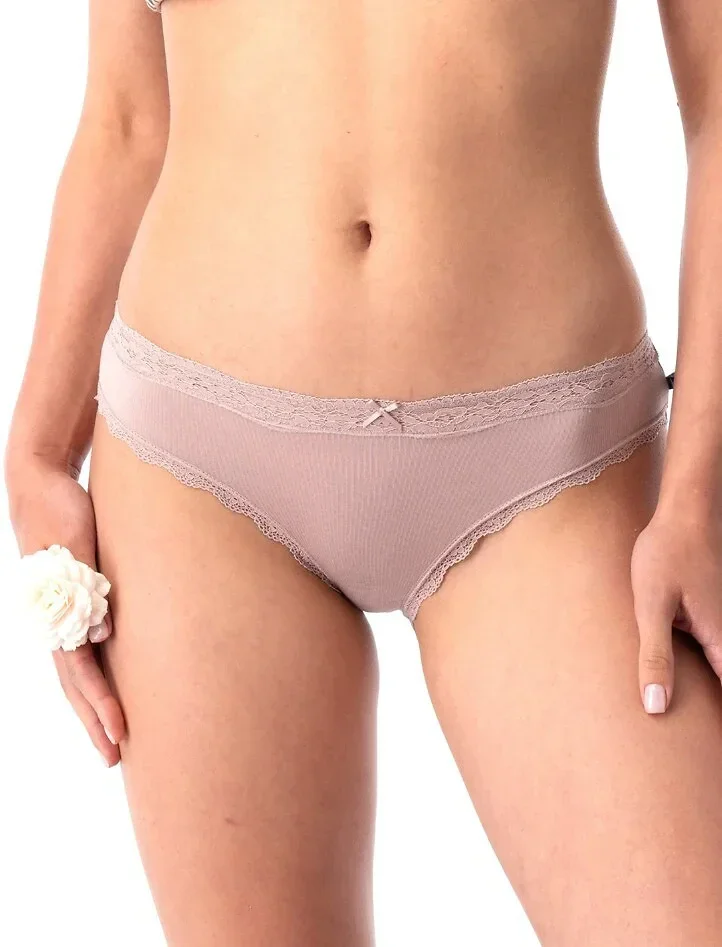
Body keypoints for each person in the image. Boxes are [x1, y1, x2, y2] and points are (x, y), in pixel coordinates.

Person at [6, 0, 722, 943]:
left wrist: (697, 496)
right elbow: (128, 118)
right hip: (199, 467)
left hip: (552, 468)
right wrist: (37, 449)